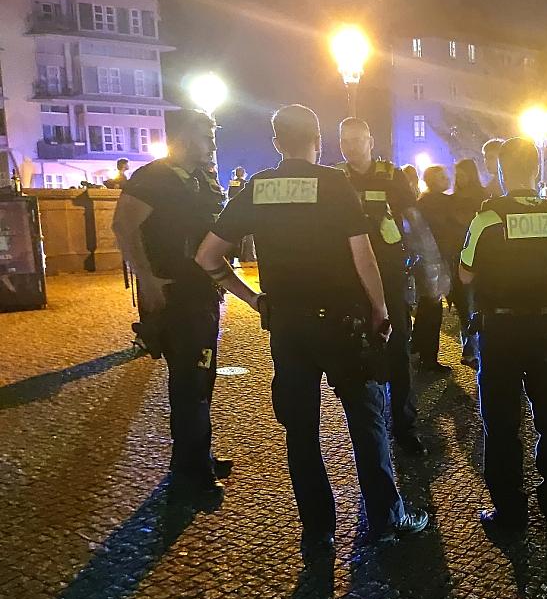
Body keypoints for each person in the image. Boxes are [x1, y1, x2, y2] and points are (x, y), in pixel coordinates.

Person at [194, 104, 428, 554]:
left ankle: (318, 530)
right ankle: (386, 517)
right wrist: (380, 309)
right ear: (317, 141)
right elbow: (362, 255)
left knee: (301, 431)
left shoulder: (258, 187)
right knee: (366, 421)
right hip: (343, 323)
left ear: (277, 142)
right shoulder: (334, 184)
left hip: (288, 326)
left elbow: (207, 256)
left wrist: (253, 299)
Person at [458, 137, 547, 534]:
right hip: (546, 331)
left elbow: (465, 274)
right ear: (538, 170)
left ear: (501, 171)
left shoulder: (488, 217)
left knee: (502, 426)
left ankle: (510, 513)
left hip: (501, 334)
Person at [111, 109, 231, 501]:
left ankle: (196, 455)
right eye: (206, 135)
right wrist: (146, 280)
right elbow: (123, 226)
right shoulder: (154, 178)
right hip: (175, 294)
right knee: (189, 381)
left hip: (203, 292)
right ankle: (190, 474)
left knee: (202, 376)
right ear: (181, 138)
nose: (212, 143)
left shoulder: (204, 178)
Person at [336, 118, 425, 456]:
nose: (351, 146)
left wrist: (424, 265)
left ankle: (404, 426)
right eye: (345, 140)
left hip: (389, 275)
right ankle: (368, 428)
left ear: (370, 141)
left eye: (357, 139)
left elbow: (413, 221)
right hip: (348, 277)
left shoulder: (391, 176)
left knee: (397, 350)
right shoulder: (335, 178)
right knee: (353, 351)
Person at [410, 165, 461, 371]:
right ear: (432, 181)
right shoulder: (441, 202)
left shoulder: (422, 201)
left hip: (424, 261)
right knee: (433, 311)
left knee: (426, 307)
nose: (447, 180)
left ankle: (418, 345)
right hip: (436, 261)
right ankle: (429, 359)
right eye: (442, 177)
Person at [452, 158, 486, 368]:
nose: (458, 179)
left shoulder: (481, 198)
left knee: (476, 304)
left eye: (462, 175)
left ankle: (475, 348)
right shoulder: (453, 199)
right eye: (457, 175)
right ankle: (470, 348)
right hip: (459, 258)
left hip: (478, 259)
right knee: (466, 306)